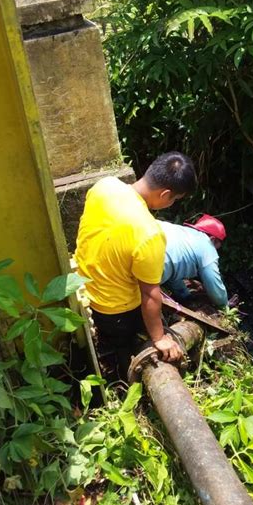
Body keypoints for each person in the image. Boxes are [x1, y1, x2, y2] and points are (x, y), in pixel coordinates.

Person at [75, 152, 197, 378]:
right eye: (174, 199)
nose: (171, 203)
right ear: (166, 194)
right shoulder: (149, 233)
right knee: (128, 342)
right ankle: (125, 377)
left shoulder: (105, 186)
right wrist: (160, 339)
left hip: (82, 286)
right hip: (113, 311)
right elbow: (150, 295)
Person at [159, 214, 229, 308]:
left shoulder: (180, 232)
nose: (215, 251)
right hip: (151, 266)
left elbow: (173, 272)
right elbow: (213, 283)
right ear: (213, 239)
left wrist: (185, 297)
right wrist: (224, 305)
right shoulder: (207, 247)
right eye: (216, 248)